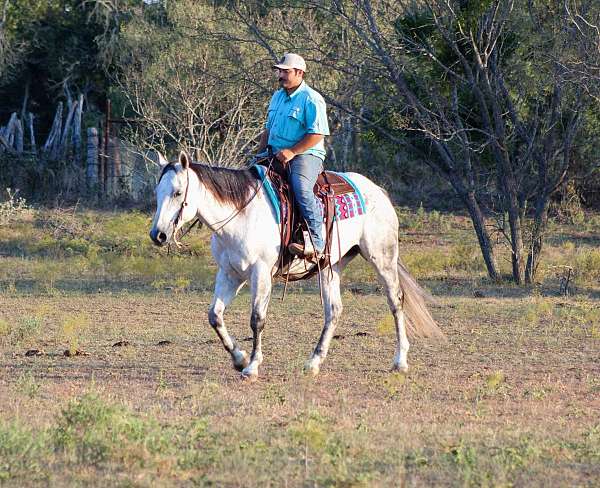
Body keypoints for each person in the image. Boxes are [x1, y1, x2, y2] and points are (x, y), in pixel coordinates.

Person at [256, 53, 330, 258]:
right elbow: (268, 129)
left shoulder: (312, 99)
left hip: (306, 154)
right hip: (275, 153)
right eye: (279, 71)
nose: (280, 75)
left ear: (299, 73)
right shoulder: (277, 96)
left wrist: (292, 151)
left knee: (301, 187)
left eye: (285, 71)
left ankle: (316, 242)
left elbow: (317, 134)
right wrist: (259, 154)